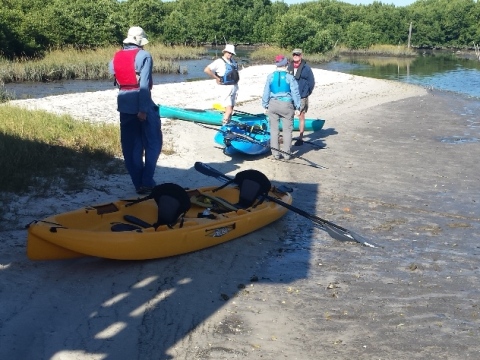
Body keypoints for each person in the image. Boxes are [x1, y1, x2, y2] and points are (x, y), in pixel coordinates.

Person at [109, 26, 162, 195]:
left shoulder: (115, 56)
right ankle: (147, 180)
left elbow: (115, 76)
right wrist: (143, 109)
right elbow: (144, 85)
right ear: (140, 41)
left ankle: (138, 184)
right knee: (154, 142)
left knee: (131, 146)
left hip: (124, 103)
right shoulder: (144, 55)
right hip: (141, 102)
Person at [262, 55, 301, 160]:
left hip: (273, 104)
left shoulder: (270, 76)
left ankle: (275, 154)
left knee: (274, 130)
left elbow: (266, 92)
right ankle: (286, 154)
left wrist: (265, 105)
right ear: (286, 64)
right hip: (286, 105)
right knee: (287, 131)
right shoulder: (289, 77)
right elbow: (295, 93)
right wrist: (298, 107)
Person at [204, 44, 240, 124]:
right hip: (225, 88)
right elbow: (207, 70)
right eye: (228, 53)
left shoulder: (233, 62)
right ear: (225, 52)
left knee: (231, 109)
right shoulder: (219, 61)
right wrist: (216, 78)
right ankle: (224, 125)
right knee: (229, 109)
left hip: (234, 87)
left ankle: (228, 123)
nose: (230, 54)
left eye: (231, 53)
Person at [287, 48, 315, 146]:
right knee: (289, 115)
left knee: (301, 116)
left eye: (297, 55)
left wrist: (306, 93)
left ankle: (300, 137)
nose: (295, 56)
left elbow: (311, 82)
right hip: (290, 95)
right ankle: (288, 137)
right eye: (294, 54)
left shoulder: (306, 68)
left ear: (301, 56)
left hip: (302, 96)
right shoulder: (289, 66)